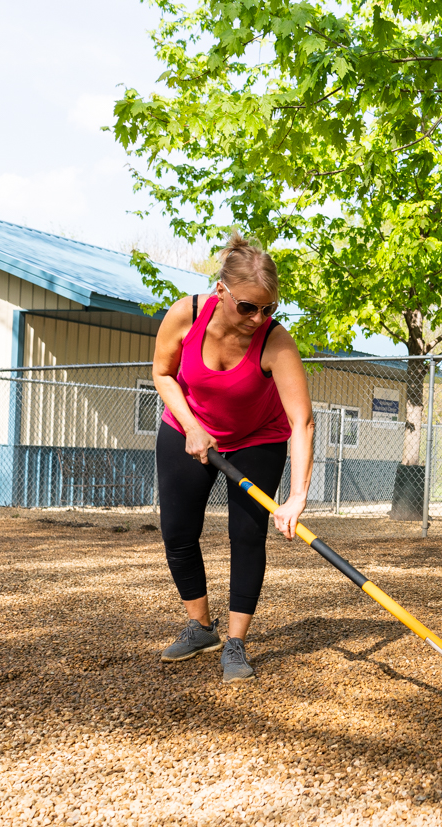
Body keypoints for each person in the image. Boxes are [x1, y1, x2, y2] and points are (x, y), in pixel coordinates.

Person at [150, 234, 315, 683]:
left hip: (257, 437)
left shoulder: (275, 342)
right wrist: (191, 426)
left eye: (268, 309)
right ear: (221, 291)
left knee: (246, 535)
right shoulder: (186, 315)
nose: (257, 318)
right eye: (247, 307)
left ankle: (236, 643)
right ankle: (201, 628)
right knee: (178, 531)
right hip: (188, 425)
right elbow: (162, 374)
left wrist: (297, 497)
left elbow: (302, 421)